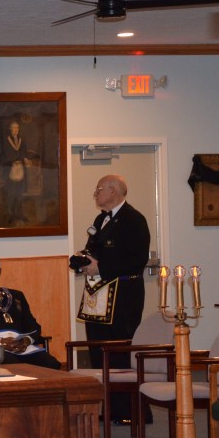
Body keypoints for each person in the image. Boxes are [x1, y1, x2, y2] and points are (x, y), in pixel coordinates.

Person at [75, 174, 150, 421]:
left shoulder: (134, 219)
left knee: (119, 352)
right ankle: (109, 408)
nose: (95, 194)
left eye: (99, 189)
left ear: (113, 191)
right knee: (99, 351)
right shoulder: (101, 218)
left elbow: (137, 260)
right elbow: (96, 250)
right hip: (99, 295)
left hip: (123, 297)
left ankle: (130, 411)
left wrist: (101, 267)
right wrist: (84, 260)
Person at [0, 119, 28, 223]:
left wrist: (22, 157)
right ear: (10, 129)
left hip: (20, 169)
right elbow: (8, 155)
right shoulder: (6, 140)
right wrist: (19, 156)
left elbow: (24, 152)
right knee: (11, 192)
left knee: (20, 193)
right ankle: (12, 214)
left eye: (17, 128)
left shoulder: (21, 140)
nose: (16, 130)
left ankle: (19, 213)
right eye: (14, 128)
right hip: (10, 170)